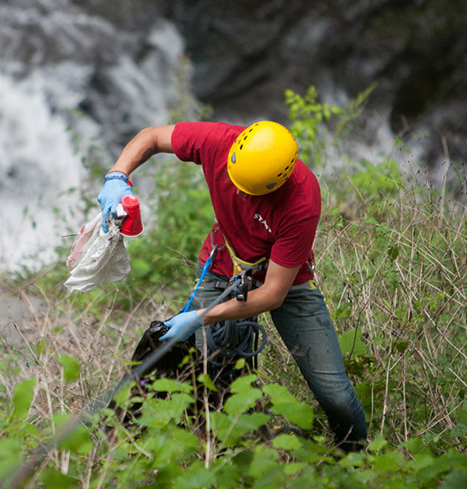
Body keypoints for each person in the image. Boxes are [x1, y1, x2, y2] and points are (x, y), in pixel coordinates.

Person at [97, 120, 367, 452]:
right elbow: (151, 137)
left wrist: (200, 317)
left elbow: (271, 294)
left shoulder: (301, 199)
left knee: (336, 395)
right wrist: (117, 177)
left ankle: (354, 460)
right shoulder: (220, 142)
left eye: (251, 191)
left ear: (278, 183)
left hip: (283, 280)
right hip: (222, 264)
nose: (238, 194)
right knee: (218, 381)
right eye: (236, 182)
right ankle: (237, 449)